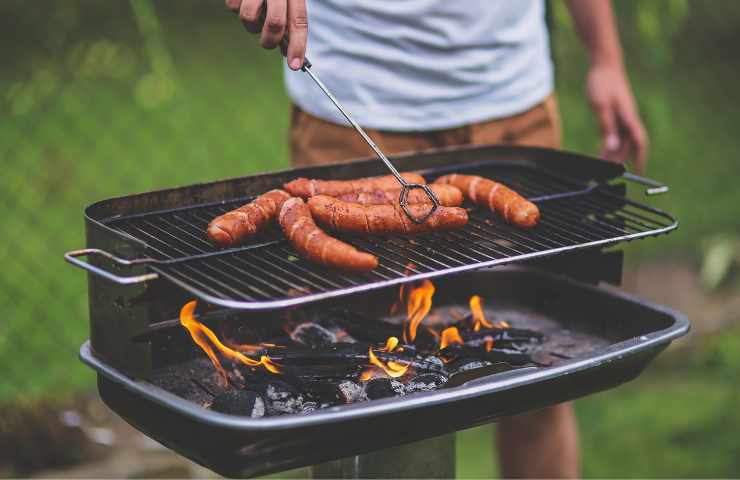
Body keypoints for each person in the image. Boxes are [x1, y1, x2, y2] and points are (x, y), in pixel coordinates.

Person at [225, 0, 647, 477]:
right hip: (352, 108)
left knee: (540, 377)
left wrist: (606, 59)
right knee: (356, 388)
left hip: (513, 101)